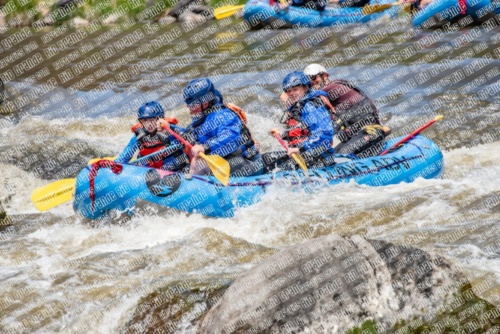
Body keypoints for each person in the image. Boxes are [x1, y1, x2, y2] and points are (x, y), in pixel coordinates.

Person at [303, 63, 392, 158]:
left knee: (340, 156)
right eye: (307, 82)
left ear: (324, 75)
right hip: (356, 135)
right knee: (331, 153)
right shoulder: (325, 94)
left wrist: (288, 96)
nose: (311, 83)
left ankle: (379, 134)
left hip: (369, 132)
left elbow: (304, 101)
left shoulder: (332, 88)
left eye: (313, 78)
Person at [182, 78, 263, 178]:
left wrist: (205, 147)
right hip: (232, 162)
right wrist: (168, 127)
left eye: (192, 104)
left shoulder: (222, 116)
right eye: (188, 104)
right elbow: (188, 133)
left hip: (249, 165)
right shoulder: (203, 117)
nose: (188, 107)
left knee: (198, 162)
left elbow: (231, 138)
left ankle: (193, 186)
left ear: (205, 103)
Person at [267, 71, 336, 171]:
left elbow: (325, 135)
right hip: (303, 156)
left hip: (319, 160)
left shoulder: (311, 106)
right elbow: (302, 132)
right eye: (288, 91)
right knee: (267, 158)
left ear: (306, 88)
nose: (291, 93)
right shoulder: (299, 106)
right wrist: (282, 135)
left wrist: (299, 149)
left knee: (267, 160)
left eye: (295, 89)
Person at [115, 101, 189, 172]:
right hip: (148, 172)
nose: (148, 124)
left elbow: (190, 136)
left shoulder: (170, 129)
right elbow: (124, 157)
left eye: (151, 120)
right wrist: (112, 165)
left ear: (160, 118)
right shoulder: (139, 135)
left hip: (174, 172)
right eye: (144, 120)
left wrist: (170, 128)